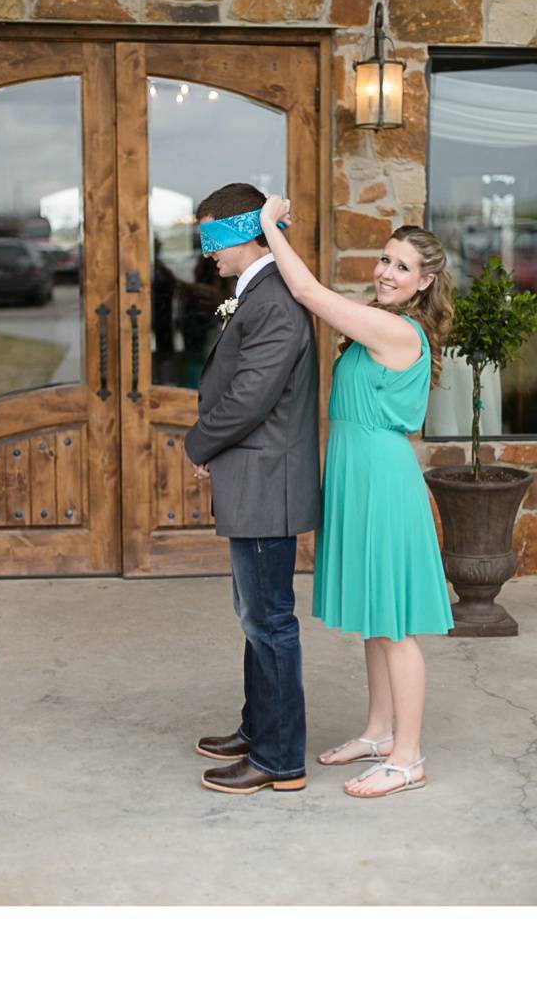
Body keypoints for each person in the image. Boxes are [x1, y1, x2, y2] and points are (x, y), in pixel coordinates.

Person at [255, 195, 456, 798]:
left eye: (401, 268)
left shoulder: (396, 328)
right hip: (357, 472)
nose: (386, 273)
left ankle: (409, 756)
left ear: (424, 283)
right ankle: (378, 732)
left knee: (394, 623)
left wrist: (269, 228)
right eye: (384, 260)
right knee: (375, 615)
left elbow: (312, 296)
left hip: (384, 479)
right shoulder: (379, 321)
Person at [184, 183, 320, 796]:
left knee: (269, 620)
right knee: (254, 615)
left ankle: (279, 758)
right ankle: (257, 727)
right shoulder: (256, 293)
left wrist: (199, 443)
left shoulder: (274, 301)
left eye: (211, 236)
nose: (206, 252)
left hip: (269, 483)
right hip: (255, 477)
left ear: (244, 232)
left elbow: (250, 397)